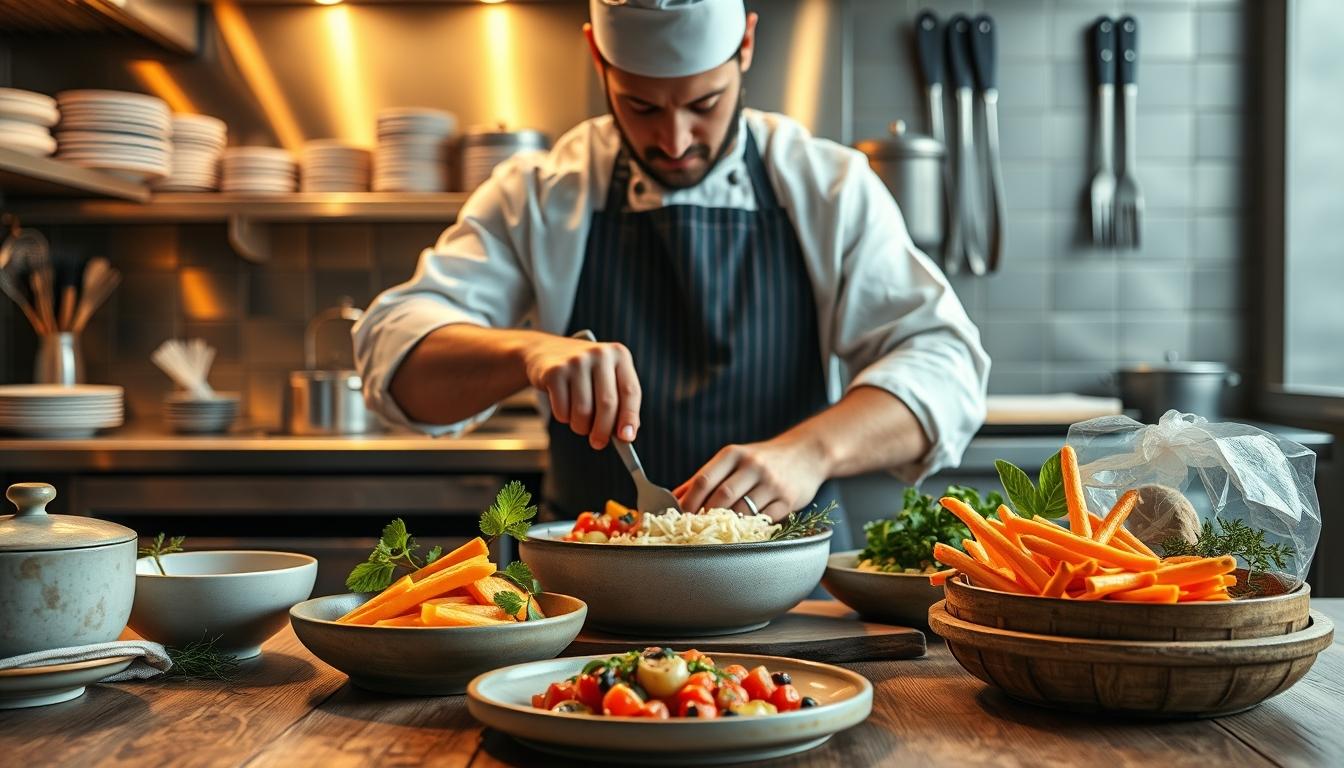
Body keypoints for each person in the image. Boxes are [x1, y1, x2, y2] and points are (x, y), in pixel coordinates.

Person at [354, 0, 989, 546]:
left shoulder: (828, 186)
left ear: (746, 44)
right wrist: (527, 353)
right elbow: (394, 354)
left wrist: (812, 451)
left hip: (794, 596)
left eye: (704, 104)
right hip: (589, 600)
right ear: (596, 56)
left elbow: (945, 365)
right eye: (641, 107)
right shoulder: (540, 193)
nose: (676, 140)